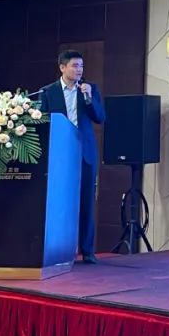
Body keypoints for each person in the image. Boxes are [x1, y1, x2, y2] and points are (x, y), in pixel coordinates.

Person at [37, 50, 106, 264]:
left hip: (84, 152)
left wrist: (89, 98)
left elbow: (100, 117)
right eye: (75, 66)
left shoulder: (89, 89)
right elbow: (41, 123)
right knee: (59, 202)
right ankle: (58, 249)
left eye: (81, 66)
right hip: (59, 153)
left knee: (86, 200)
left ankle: (87, 250)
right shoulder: (48, 92)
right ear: (62, 67)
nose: (79, 70)